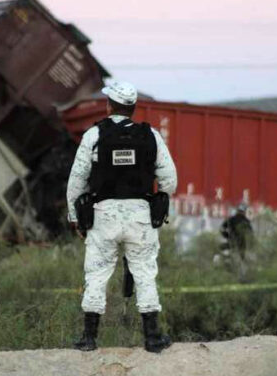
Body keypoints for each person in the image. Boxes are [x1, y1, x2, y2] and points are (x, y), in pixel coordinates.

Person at [66, 80, 177, 353]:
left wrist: (74, 216)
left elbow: (77, 179)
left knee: (97, 274)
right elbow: (169, 179)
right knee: (144, 273)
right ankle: (152, 339)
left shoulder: (94, 135)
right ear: (133, 108)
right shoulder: (150, 136)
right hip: (140, 216)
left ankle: (89, 339)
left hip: (103, 216)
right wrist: (160, 199)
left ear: (108, 106)